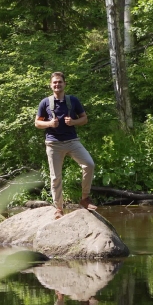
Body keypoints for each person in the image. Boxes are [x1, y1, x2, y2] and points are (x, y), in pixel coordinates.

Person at [35, 72, 97, 219]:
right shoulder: (45, 103)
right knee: (56, 177)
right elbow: (37, 122)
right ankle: (58, 209)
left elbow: (84, 119)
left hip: (72, 141)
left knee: (89, 164)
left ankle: (85, 199)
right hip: (53, 144)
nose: (57, 85)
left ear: (65, 84)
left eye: (60, 82)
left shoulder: (73, 101)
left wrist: (73, 122)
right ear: (51, 85)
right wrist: (50, 123)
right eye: (54, 82)